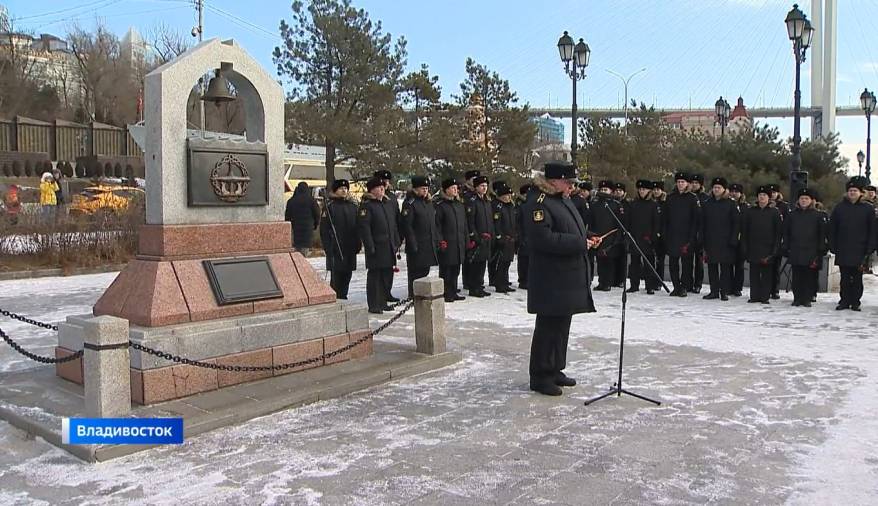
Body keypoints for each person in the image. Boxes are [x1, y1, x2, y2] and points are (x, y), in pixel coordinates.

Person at [526, 161, 600, 397]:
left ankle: (555, 368)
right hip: (550, 278)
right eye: (568, 182)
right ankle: (540, 376)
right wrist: (579, 243)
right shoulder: (539, 202)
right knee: (548, 328)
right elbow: (543, 238)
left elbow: (571, 229)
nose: (571, 187)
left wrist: (588, 237)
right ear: (553, 181)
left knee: (561, 327)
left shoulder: (562, 200)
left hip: (565, 277)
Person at [829, 178, 876, 311]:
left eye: (855, 191)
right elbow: (832, 228)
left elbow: (872, 230)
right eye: (850, 190)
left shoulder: (868, 209)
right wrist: (832, 245)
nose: (852, 193)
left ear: (860, 193)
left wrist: (870, 248)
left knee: (857, 278)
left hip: (860, 249)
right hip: (843, 247)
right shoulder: (840, 208)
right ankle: (844, 300)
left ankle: (855, 301)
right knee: (844, 277)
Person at [358, 177, 397, 314]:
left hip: (388, 246)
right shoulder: (367, 206)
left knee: (386, 275)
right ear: (372, 190)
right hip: (376, 246)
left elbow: (392, 225)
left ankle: (383, 301)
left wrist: (396, 241)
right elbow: (365, 228)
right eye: (378, 187)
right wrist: (370, 246)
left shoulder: (386, 204)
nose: (382, 189)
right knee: (375, 277)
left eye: (383, 187)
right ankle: (374, 304)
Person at [784, 188, 828, 307]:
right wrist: (786, 247)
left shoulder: (818, 215)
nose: (804, 201)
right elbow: (786, 232)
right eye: (802, 198)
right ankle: (797, 298)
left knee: (809, 277)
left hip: (811, 251)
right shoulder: (792, 215)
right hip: (796, 249)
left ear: (811, 200)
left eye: (806, 198)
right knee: (797, 276)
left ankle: (807, 298)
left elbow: (822, 234)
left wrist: (821, 250)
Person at [319, 179, 361, 299]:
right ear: (335, 190)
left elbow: (357, 226)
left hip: (350, 247)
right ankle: (336, 298)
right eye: (341, 188)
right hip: (336, 248)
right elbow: (324, 230)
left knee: (347, 275)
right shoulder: (330, 207)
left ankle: (344, 296)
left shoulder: (353, 206)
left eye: (346, 188)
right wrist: (328, 248)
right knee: (336, 277)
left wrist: (358, 243)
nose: (344, 190)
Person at [701, 177, 740, 301]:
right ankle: (714, 291)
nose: (716, 189)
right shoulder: (707, 203)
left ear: (724, 189)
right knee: (712, 267)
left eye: (719, 187)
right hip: (711, 240)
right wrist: (702, 239)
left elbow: (736, 223)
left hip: (726, 241)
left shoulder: (731, 204)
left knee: (725, 268)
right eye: (714, 187)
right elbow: (702, 223)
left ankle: (724, 291)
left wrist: (733, 239)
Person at [742, 186, 782, 304]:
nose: (762, 197)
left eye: (764, 195)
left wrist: (775, 249)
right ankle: (754, 296)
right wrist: (745, 247)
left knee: (767, 275)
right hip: (753, 247)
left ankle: (765, 296)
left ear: (769, 198)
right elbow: (745, 230)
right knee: (754, 274)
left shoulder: (774, 212)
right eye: (760, 195)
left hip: (768, 248)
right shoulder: (750, 211)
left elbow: (778, 232)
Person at [401, 175, 439, 297]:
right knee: (415, 273)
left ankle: (422, 294)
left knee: (424, 271)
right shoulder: (410, 203)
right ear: (415, 189)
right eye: (423, 188)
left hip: (428, 244)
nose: (425, 191)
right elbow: (407, 226)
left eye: (427, 188)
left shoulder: (428, 203)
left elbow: (432, 223)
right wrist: (413, 244)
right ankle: (413, 295)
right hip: (417, 244)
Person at [665, 172, 700, 297]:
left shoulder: (692, 198)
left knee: (686, 264)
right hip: (673, 236)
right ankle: (676, 286)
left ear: (687, 184)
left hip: (686, 236)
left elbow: (696, 219)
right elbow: (665, 217)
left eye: (683, 182)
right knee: (673, 263)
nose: (680, 184)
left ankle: (685, 286)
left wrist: (692, 237)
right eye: (678, 182)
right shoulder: (670, 197)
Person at [435, 178, 468, 302]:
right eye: (452, 188)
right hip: (447, 243)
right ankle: (445, 292)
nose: (455, 190)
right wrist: (440, 240)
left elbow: (464, 224)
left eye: (456, 188)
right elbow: (437, 226)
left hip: (459, 242)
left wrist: (466, 239)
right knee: (446, 270)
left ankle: (453, 291)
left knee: (456, 269)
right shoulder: (440, 205)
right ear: (446, 190)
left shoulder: (459, 204)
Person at [626, 179, 661, 294]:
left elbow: (657, 223)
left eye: (644, 189)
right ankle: (634, 285)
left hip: (648, 239)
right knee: (634, 263)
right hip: (635, 238)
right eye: (640, 189)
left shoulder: (653, 205)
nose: (641, 191)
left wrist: (653, 237)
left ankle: (650, 286)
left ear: (649, 191)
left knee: (649, 264)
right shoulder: (633, 204)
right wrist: (628, 234)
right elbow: (628, 221)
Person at [374, 170, 402, 303]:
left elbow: (396, 217)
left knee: (390, 268)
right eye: (383, 181)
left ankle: (387, 292)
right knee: (380, 270)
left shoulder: (391, 197)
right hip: (380, 239)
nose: (386, 183)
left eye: (387, 181)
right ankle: (379, 296)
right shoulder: (372, 199)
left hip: (392, 237)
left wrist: (398, 237)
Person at [464, 175, 494, 297]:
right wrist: (475, 237)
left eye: (486, 186)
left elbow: (490, 220)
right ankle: (473, 287)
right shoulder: (472, 201)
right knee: (475, 263)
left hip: (486, 238)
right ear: (476, 187)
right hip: (477, 238)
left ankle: (479, 285)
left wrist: (491, 233)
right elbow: (470, 221)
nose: (484, 188)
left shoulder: (487, 201)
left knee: (482, 263)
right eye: (482, 186)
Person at [591, 180, 623, 291]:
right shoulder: (595, 205)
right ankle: (601, 282)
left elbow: (619, 223)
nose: (603, 191)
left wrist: (617, 237)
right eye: (602, 189)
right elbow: (591, 221)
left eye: (606, 190)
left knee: (609, 260)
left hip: (611, 235)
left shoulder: (616, 205)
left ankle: (608, 282)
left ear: (611, 191)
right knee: (600, 260)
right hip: (598, 236)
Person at [491, 182, 518, 293]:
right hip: (503, 238)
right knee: (501, 263)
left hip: (511, 238)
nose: (509, 197)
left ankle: (505, 282)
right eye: (507, 195)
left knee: (507, 262)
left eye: (510, 195)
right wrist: (499, 237)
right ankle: (499, 284)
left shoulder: (510, 206)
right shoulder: (498, 206)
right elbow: (496, 223)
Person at [768, 184, 790, 299]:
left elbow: (787, 223)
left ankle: (774, 290)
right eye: (770, 192)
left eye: (774, 192)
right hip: (765, 240)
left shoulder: (784, 206)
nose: (772, 194)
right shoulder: (764, 204)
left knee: (776, 266)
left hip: (778, 239)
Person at [285, 181, 320, 252]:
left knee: (297, 248)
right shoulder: (312, 201)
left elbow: (287, 216)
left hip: (296, 228)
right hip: (308, 228)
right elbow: (317, 214)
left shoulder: (291, 201)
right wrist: (315, 224)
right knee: (305, 248)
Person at [460, 170, 481, 291]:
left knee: (477, 258)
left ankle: (475, 281)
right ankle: (467, 281)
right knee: (469, 258)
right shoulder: (465, 194)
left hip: (479, 228)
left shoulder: (477, 194)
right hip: (468, 229)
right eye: (473, 179)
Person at [688, 173, 708, 293]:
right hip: (688, 231)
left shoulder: (705, 198)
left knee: (699, 260)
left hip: (700, 232)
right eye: (692, 183)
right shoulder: (688, 196)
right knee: (687, 260)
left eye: (696, 183)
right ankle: (688, 282)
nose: (694, 185)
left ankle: (698, 284)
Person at [728, 183, 749, 297]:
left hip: (742, 240)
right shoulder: (727, 204)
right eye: (732, 191)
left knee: (739, 265)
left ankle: (737, 287)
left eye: (736, 192)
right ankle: (728, 286)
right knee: (728, 264)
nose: (734, 194)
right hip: (729, 239)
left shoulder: (746, 207)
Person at [516, 183, 536, 289]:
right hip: (524, 236)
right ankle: (523, 280)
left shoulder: (532, 205)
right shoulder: (521, 205)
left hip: (532, 236)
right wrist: (520, 237)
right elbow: (518, 223)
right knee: (524, 259)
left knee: (531, 259)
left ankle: (530, 279)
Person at [651, 180, 668, 288]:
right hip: (651, 234)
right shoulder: (651, 202)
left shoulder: (666, 203)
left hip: (662, 236)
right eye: (654, 189)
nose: (656, 191)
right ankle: (650, 280)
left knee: (660, 260)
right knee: (651, 260)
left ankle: (658, 282)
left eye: (658, 189)